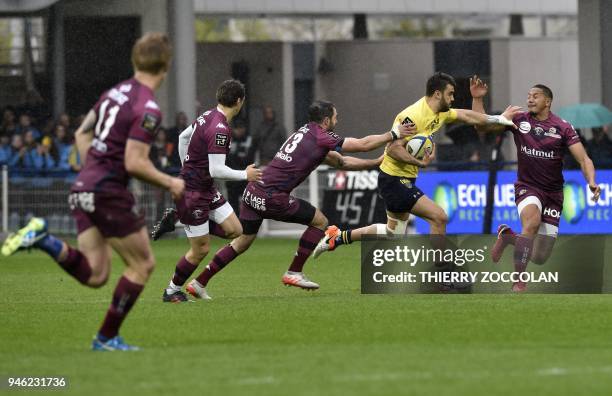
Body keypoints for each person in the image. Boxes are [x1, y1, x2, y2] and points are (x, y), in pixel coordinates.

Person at [1, 32, 184, 350]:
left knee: (95, 274)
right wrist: (172, 182)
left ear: (135, 60)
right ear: (166, 66)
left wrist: (92, 171)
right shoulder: (148, 108)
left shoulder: (113, 93)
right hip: (106, 192)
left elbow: (81, 134)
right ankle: (106, 338)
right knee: (143, 265)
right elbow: (135, 162)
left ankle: (42, 239)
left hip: (84, 187)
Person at [152, 100, 417, 298]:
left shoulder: (305, 134)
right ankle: (293, 271)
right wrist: (394, 135)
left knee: (242, 240)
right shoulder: (321, 135)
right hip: (271, 195)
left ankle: (198, 283)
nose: (338, 119)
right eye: (336, 116)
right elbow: (359, 144)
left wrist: (377, 162)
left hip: (253, 192)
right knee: (320, 221)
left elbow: (342, 161)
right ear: (326, 120)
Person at [313, 72, 520, 258]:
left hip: (402, 178)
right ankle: (442, 276)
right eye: (450, 94)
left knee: (392, 233)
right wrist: (418, 162)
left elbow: (468, 116)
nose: (453, 98)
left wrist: (500, 119)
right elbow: (393, 148)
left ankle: (338, 237)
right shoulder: (413, 116)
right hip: (394, 179)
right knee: (439, 217)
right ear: (437, 94)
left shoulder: (440, 113)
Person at [468, 78, 601, 291]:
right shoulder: (518, 120)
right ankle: (519, 280)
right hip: (527, 187)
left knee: (539, 256)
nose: (529, 99)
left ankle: (508, 236)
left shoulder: (563, 127)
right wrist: (477, 98)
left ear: (547, 101)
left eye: (535, 96)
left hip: (553, 194)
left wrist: (592, 182)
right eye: (528, 96)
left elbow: (584, 159)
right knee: (531, 222)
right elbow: (480, 126)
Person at [156, 79, 262, 303]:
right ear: (239, 101)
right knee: (200, 250)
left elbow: (182, 137)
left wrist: (187, 164)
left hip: (205, 188)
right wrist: (245, 174)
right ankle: (172, 290)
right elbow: (216, 169)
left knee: (235, 229)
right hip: (193, 193)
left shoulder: (207, 116)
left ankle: (177, 219)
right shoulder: (220, 128)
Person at [226, 118, 255, 213]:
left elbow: (249, 158)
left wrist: (235, 157)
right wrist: (238, 157)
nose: (239, 130)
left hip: (246, 177)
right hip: (232, 178)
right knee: (233, 205)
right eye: (237, 128)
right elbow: (226, 159)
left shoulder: (249, 139)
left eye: (241, 128)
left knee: (247, 204)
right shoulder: (229, 140)